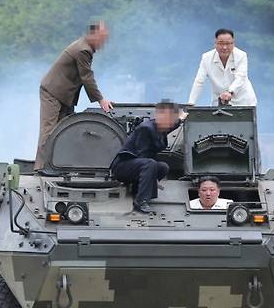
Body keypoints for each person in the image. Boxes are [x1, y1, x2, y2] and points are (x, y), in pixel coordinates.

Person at [35, 21, 114, 170]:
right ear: (93, 34)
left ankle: (62, 165)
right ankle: (41, 168)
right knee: (49, 131)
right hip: (53, 92)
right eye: (102, 38)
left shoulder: (85, 47)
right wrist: (100, 100)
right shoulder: (83, 49)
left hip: (64, 95)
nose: (103, 42)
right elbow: (86, 77)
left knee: (67, 130)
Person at [110, 100, 182, 214]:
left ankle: (137, 189)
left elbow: (175, 125)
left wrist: (182, 118)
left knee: (163, 167)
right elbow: (141, 154)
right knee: (150, 164)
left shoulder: (162, 127)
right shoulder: (146, 128)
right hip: (122, 167)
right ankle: (141, 200)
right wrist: (151, 178)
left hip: (138, 165)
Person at [188, 28, 257, 107]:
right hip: (219, 101)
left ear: (233, 44)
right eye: (221, 43)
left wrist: (230, 91)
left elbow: (240, 77)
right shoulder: (206, 58)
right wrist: (191, 103)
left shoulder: (241, 56)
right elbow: (199, 81)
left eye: (228, 44)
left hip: (243, 100)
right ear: (215, 43)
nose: (224, 47)